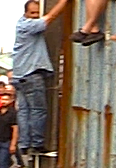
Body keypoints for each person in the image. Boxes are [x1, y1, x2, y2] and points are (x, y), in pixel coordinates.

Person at [13, 0, 70, 155]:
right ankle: (37, 143)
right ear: (25, 13)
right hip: (31, 74)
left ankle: (24, 143)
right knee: (38, 110)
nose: (36, 16)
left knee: (24, 111)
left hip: (19, 75)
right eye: (33, 13)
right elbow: (50, 17)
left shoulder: (21, 24)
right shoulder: (29, 26)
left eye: (37, 13)